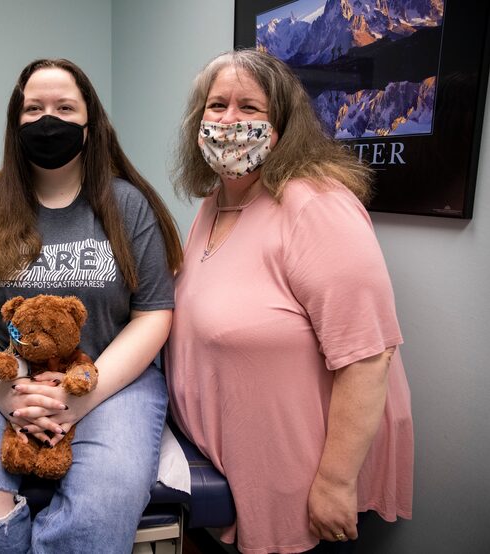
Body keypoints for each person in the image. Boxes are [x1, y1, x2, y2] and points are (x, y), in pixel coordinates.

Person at [0, 58, 183, 553]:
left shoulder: (128, 206)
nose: (49, 120)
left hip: (109, 377)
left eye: (65, 107)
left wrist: (80, 397)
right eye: (34, 109)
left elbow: (153, 315)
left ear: (91, 124)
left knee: (99, 512)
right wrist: (4, 393)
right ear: (14, 123)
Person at [165, 49, 414, 553]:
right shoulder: (216, 203)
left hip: (304, 489)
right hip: (226, 478)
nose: (229, 120)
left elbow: (368, 355)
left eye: (250, 108)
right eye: (217, 106)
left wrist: (335, 483)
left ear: (281, 125)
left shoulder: (315, 205)